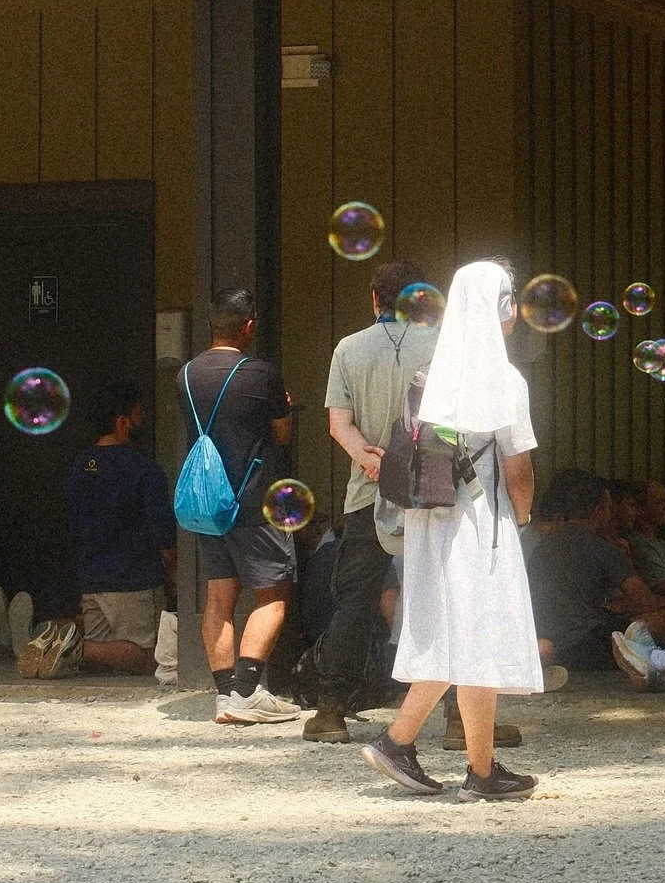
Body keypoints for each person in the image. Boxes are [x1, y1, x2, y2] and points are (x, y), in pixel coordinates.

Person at [363, 260, 541, 801]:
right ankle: (467, 768)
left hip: (429, 520)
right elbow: (518, 468)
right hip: (480, 523)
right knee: (478, 634)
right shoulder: (504, 378)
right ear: (501, 308)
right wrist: (525, 517)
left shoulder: (435, 370)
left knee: (453, 635)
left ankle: (435, 754)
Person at [312, 258, 440, 741]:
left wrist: (370, 460)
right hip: (432, 491)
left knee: (357, 599)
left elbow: (337, 423)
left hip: (367, 492)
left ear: (374, 298)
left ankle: (330, 711)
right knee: (443, 597)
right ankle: (454, 717)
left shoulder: (348, 348)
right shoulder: (441, 345)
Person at [179, 286, 302, 728]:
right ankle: (248, 691)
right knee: (273, 594)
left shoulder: (187, 374)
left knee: (219, 595)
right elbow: (282, 434)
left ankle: (225, 695)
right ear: (249, 325)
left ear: (211, 324)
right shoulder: (261, 375)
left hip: (207, 501)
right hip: (253, 499)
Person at [61, 388, 178, 673]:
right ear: (123, 422)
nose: (144, 420)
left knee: (104, 661)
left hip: (92, 582)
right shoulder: (145, 470)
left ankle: (59, 639)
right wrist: (175, 572)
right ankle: (72, 646)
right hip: (136, 583)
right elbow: (163, 537)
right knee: (155, 658)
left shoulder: (78, 468)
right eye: (139, 415)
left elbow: (74, 526)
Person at [523, 469, 660, 671]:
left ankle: (543, 661)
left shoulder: (541, 545)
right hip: (590, 645)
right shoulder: (602, 547)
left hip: (546, 636)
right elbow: (645, 601)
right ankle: (647, 662)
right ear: (599, 511)